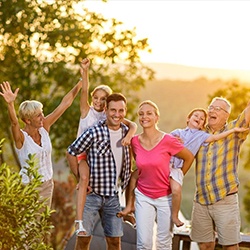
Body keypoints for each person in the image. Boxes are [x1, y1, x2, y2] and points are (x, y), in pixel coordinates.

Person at [73, 58, 137, 237]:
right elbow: (84, 90)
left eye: (103, 99)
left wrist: (130, 135)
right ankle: (79, 220)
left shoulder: (108, 115)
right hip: (82, 153)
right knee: (84, 178)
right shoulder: (87, 111)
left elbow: (132, 124)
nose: (98, 102)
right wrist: (85, 71)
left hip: (98, 159)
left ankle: (129, 210)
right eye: (96, 98)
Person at [119, 100, 194, 250]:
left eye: (149, 113)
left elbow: (189, 157)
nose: (144, 117)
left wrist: (177, 177)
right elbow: (137, 169)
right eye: (141, 114)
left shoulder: (168, 140)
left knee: (164, 243)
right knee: (144, 243)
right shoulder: (134, 142)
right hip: (143, 196)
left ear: (156, 117)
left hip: (165, 198)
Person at [0, 80, 82, 208]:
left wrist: (82, 81)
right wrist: (10, 104)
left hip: (47, 185)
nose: (42, 117)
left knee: (41, 225)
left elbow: (64, 104)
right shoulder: (21, 138)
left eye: (42, 113)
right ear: (27, 120)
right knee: (29, 226)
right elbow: (14, 123)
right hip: (29, 187)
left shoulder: (44, 128)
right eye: (38, 115)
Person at [66, 93, 132, 250]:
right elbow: (71, 151)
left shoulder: (127, 133)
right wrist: (80, 179)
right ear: (106, 109)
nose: (117, 114)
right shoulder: (94, 132)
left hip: (114, 197)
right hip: (92, 195)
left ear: (125, 111)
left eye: (121, 110)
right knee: (83, 240)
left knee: (115, 242)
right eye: (113, 110)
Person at [169, 108, 248, 227]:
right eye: (196, 115)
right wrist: (173, 140)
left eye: (202, 119)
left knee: (176, 191)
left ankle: (174, 216)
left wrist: (233, 130)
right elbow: (163, 141)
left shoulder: (202, 136)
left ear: (202, 125)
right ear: (188, 118)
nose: (198, 119)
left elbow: (216, 137)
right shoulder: (178, 132)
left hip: (176, 169)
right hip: (165, 163)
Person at [190, 97, 250, 250]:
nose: (211, 111)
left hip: (225, 200)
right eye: (210, 107)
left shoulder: (234, 131)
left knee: (230, 247)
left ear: (226, 116)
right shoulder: (199, 133)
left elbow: (248, 113)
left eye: (217, 109)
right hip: (201, 200)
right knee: (205, 245)